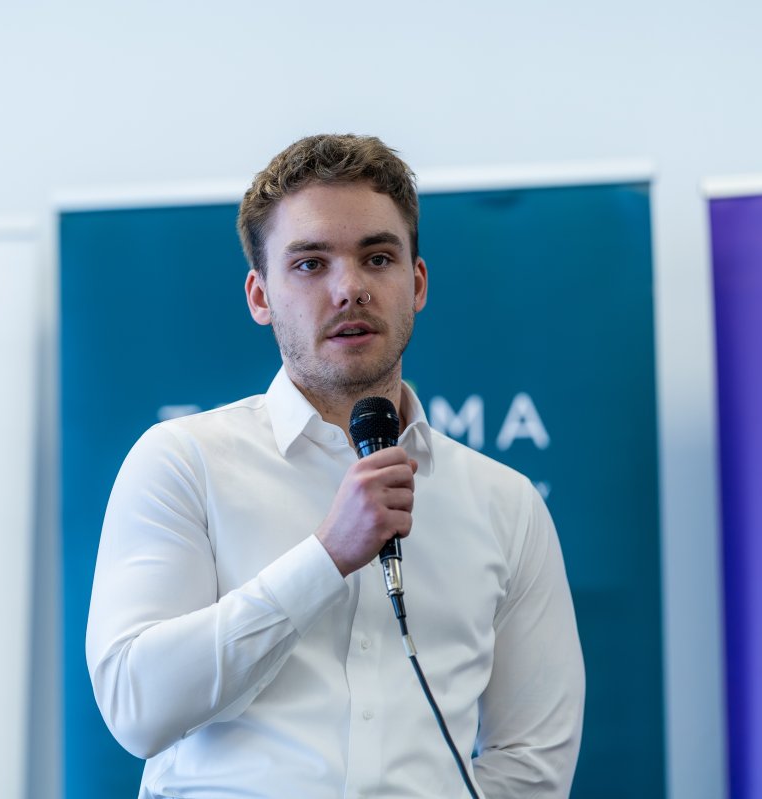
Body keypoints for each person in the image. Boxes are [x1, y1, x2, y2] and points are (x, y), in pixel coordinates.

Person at [86, 134, 585, 798]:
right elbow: (135, 706)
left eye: (377, 258)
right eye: (310, 264)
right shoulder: (183, 462)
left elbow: (533, 760)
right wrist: (325, 557)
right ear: (260, 296)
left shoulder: (506, 502)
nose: (349, 289)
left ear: (416, 282)